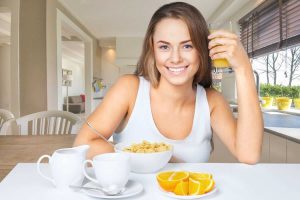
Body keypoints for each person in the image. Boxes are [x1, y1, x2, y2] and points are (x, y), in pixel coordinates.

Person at [74, 2, 263, 164]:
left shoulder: (212, 101)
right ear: (153, 48)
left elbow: (249, 155)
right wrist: (154, 159)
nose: (175, 58)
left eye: (187, 46)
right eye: (164, 47)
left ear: (202, 50)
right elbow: (84, 144)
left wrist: (243, 68)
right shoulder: (129, 89)